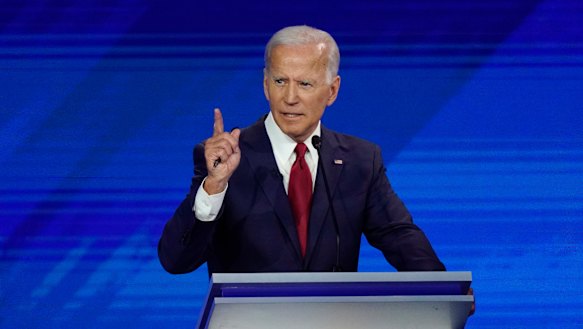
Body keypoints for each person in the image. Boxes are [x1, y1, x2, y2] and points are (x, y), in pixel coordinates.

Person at [158, 25, 446, 275]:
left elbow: (398, 235)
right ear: (265, 85)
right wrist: (214, 187)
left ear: (332, 91)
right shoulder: (225, 159)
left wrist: (444, 288)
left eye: (305, 84)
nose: (290, 98)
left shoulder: (360, 160)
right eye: (280, 81)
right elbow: (176, 261)